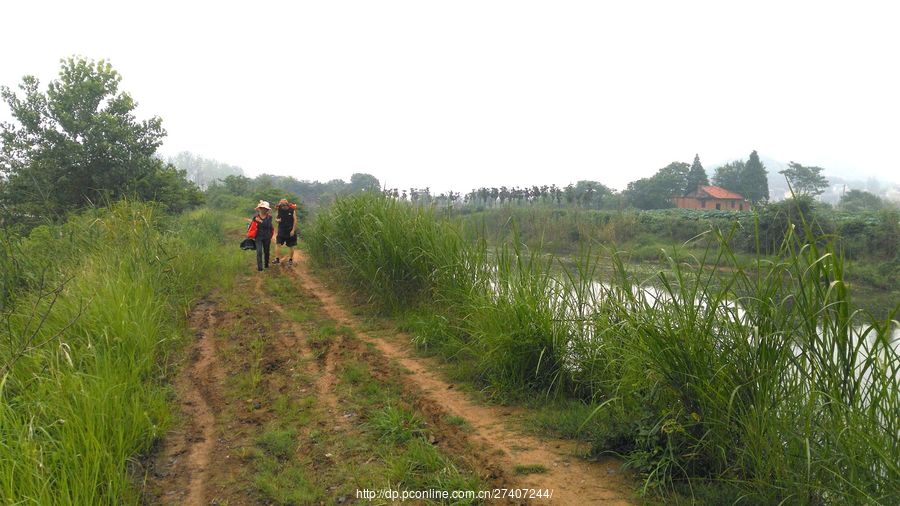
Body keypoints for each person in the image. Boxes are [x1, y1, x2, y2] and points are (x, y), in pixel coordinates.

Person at [249, 200, 274, 271]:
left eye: (265, 208)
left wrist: (260, 221)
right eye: (262, 208)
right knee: (259, 251)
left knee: (266, 251)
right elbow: (252, 225)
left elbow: (267, 225)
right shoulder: (255, 217)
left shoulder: (269, 217)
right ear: (260, 208)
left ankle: (266, 265)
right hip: (258, 237)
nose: (264, 209)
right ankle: (260, 268)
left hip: (267, 237)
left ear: (267, 210)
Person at [273, 198, 298, 266]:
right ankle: (277, 259)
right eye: (281, 205)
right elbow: (276, 218)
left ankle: (290, 260)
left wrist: (293, 230)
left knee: (291, 246)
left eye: (284, 205)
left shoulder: (292, 210)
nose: (283, 206)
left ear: (287, 204)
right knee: (278, 244)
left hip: (290, 230)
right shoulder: (279, 209)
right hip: (281, 230)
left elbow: (295, 221)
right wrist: (277, 220)